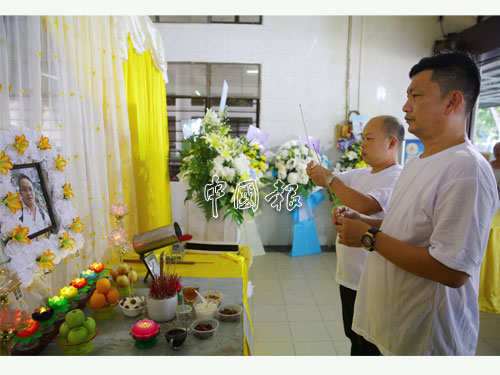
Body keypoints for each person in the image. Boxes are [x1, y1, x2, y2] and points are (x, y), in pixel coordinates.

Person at [334, 51, 500, 355]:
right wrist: (364, 222)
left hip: (423, 339)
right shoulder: (417, 161)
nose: (405, 106)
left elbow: (452, 270)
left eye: (416, 95)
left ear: (452, 101)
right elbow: (408, 227)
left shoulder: (467, 170)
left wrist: (369, 238)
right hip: (386, 327)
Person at [306, 115, 404, 355]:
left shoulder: (396, 176)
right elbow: (338, 186)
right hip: (349, 277)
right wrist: (319, 173)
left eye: (369, 139)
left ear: (392, 143)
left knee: (370, 345)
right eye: (363, 139)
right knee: (354, 338)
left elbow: (367, 205)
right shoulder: (363, 173)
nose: (363, 145)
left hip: (371, 281)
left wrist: (328, 179)